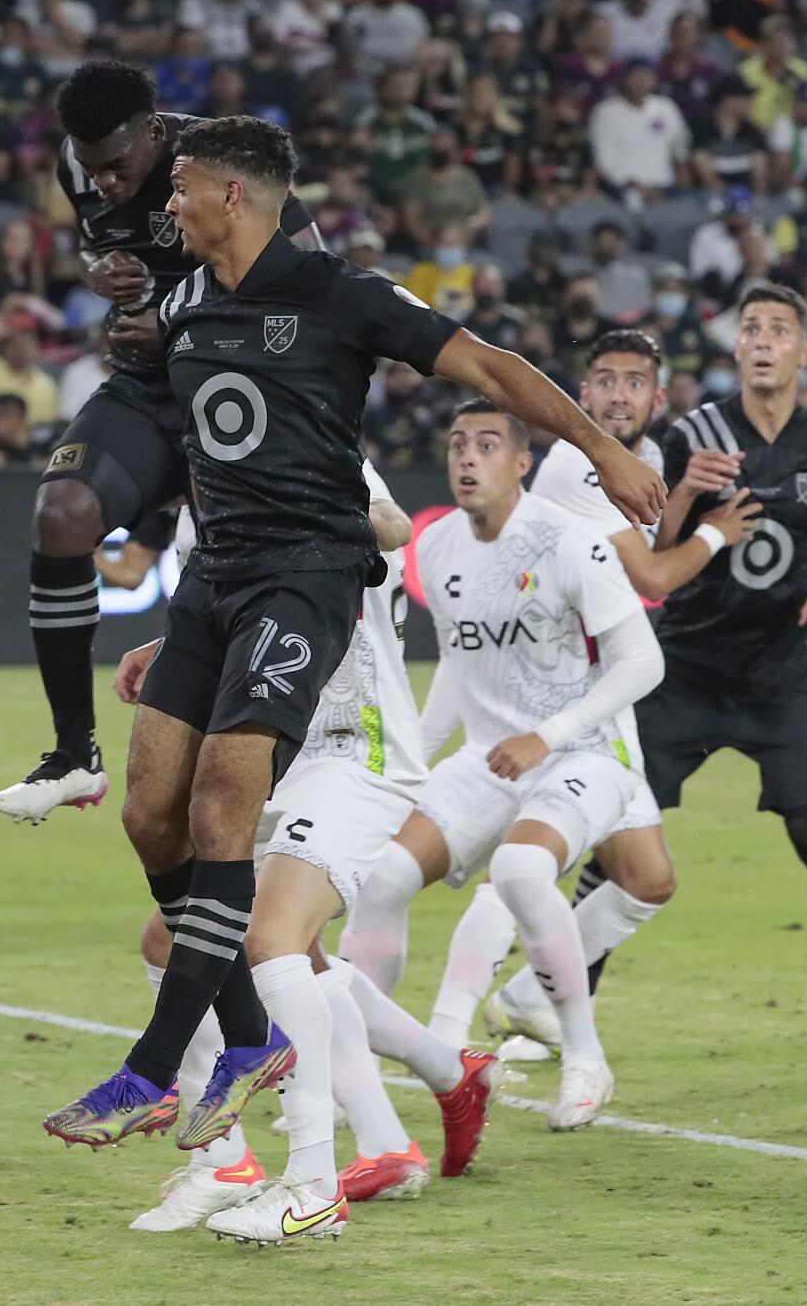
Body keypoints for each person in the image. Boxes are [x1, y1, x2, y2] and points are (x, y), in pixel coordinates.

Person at [40, 116, 664, 1245]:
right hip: (213, 591)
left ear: (232, 195)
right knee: (151, 816)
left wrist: (605, 450)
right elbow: (162, 391)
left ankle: (189, 1089)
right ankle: (319, 1074)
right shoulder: (182, 306)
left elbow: (487, 367)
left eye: (180, 188)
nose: (163, 205)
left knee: (235, 841)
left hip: (302, 587)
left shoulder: (340, 297)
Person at [110, 466, 500, 1234]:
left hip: (357, 747)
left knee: (269, 939)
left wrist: (358, 512)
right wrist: (171, 645)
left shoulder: (306, 438)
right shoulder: (201, 518)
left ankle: (312, 1185)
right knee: (179, 936)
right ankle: (247, 1155)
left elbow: (390, 527)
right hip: (266, 750)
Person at [0, 60, 324, 824]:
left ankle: (295, 773)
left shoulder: (227, 164)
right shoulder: (81, 165)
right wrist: (104, 274)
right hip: (148, 386)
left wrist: (175, 313)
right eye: (90, 165)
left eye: (118, 165)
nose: (102, 181)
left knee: (241, 581)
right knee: (62, 514)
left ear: (155, 134)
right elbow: (114, 248)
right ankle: (75, 754)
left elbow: (307, 288)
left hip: (244, 396)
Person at [336, 399, 664, 1141]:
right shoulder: (438, 546)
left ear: (522, 463)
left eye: (487, 444)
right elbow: (459, 664)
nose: (467, 457)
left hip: (585, 751)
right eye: (457, 444)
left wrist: (548, 736)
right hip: (488, 759)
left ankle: (584, 1056)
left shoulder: (571, 541)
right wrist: (409, 762)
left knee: (520, 870)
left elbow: (643, 661)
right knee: (379, 878)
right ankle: (350, 1057)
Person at [447, 332, 761, 1055]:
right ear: (581, 396)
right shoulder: (573, 466)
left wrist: (679, 496)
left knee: (646, 878)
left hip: (594, 693)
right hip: (553, 698)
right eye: (605, 381)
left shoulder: (641, 461)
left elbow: (642, 550)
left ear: (659, 396)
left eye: (635, 382)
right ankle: (444, 1037)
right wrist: (715, 533)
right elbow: (653, 580)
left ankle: (526, 996)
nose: (619, 394)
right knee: (523, 872)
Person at [634, 284, 807, 1069]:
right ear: (737, 349)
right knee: (621, 837)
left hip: (782, 674)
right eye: (750, 328)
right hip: (684, 668)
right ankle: (554, 1013)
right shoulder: (690, 432)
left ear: (803, 351)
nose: (762, 339)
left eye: (778, 329)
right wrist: (687, 490)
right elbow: (650, 553)